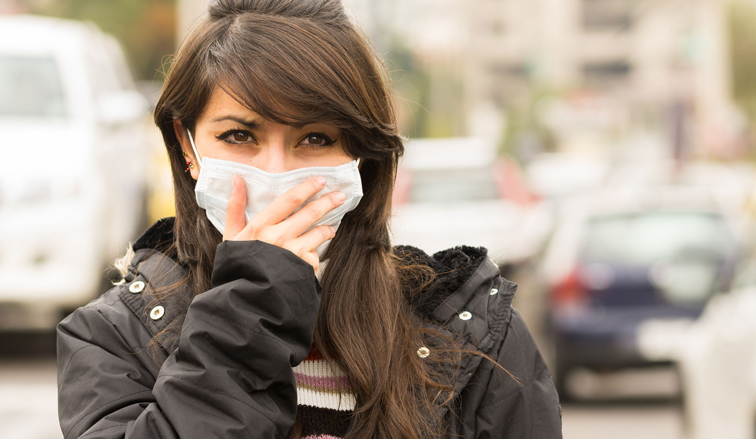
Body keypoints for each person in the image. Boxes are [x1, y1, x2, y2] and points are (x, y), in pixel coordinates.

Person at [56, 1, 562, 438]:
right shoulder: (113, 336)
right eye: (239, 136)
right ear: (187, 145)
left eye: (315, 139)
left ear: (361, 156)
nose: (276, 173)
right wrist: (245, 319)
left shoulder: (473, 339)